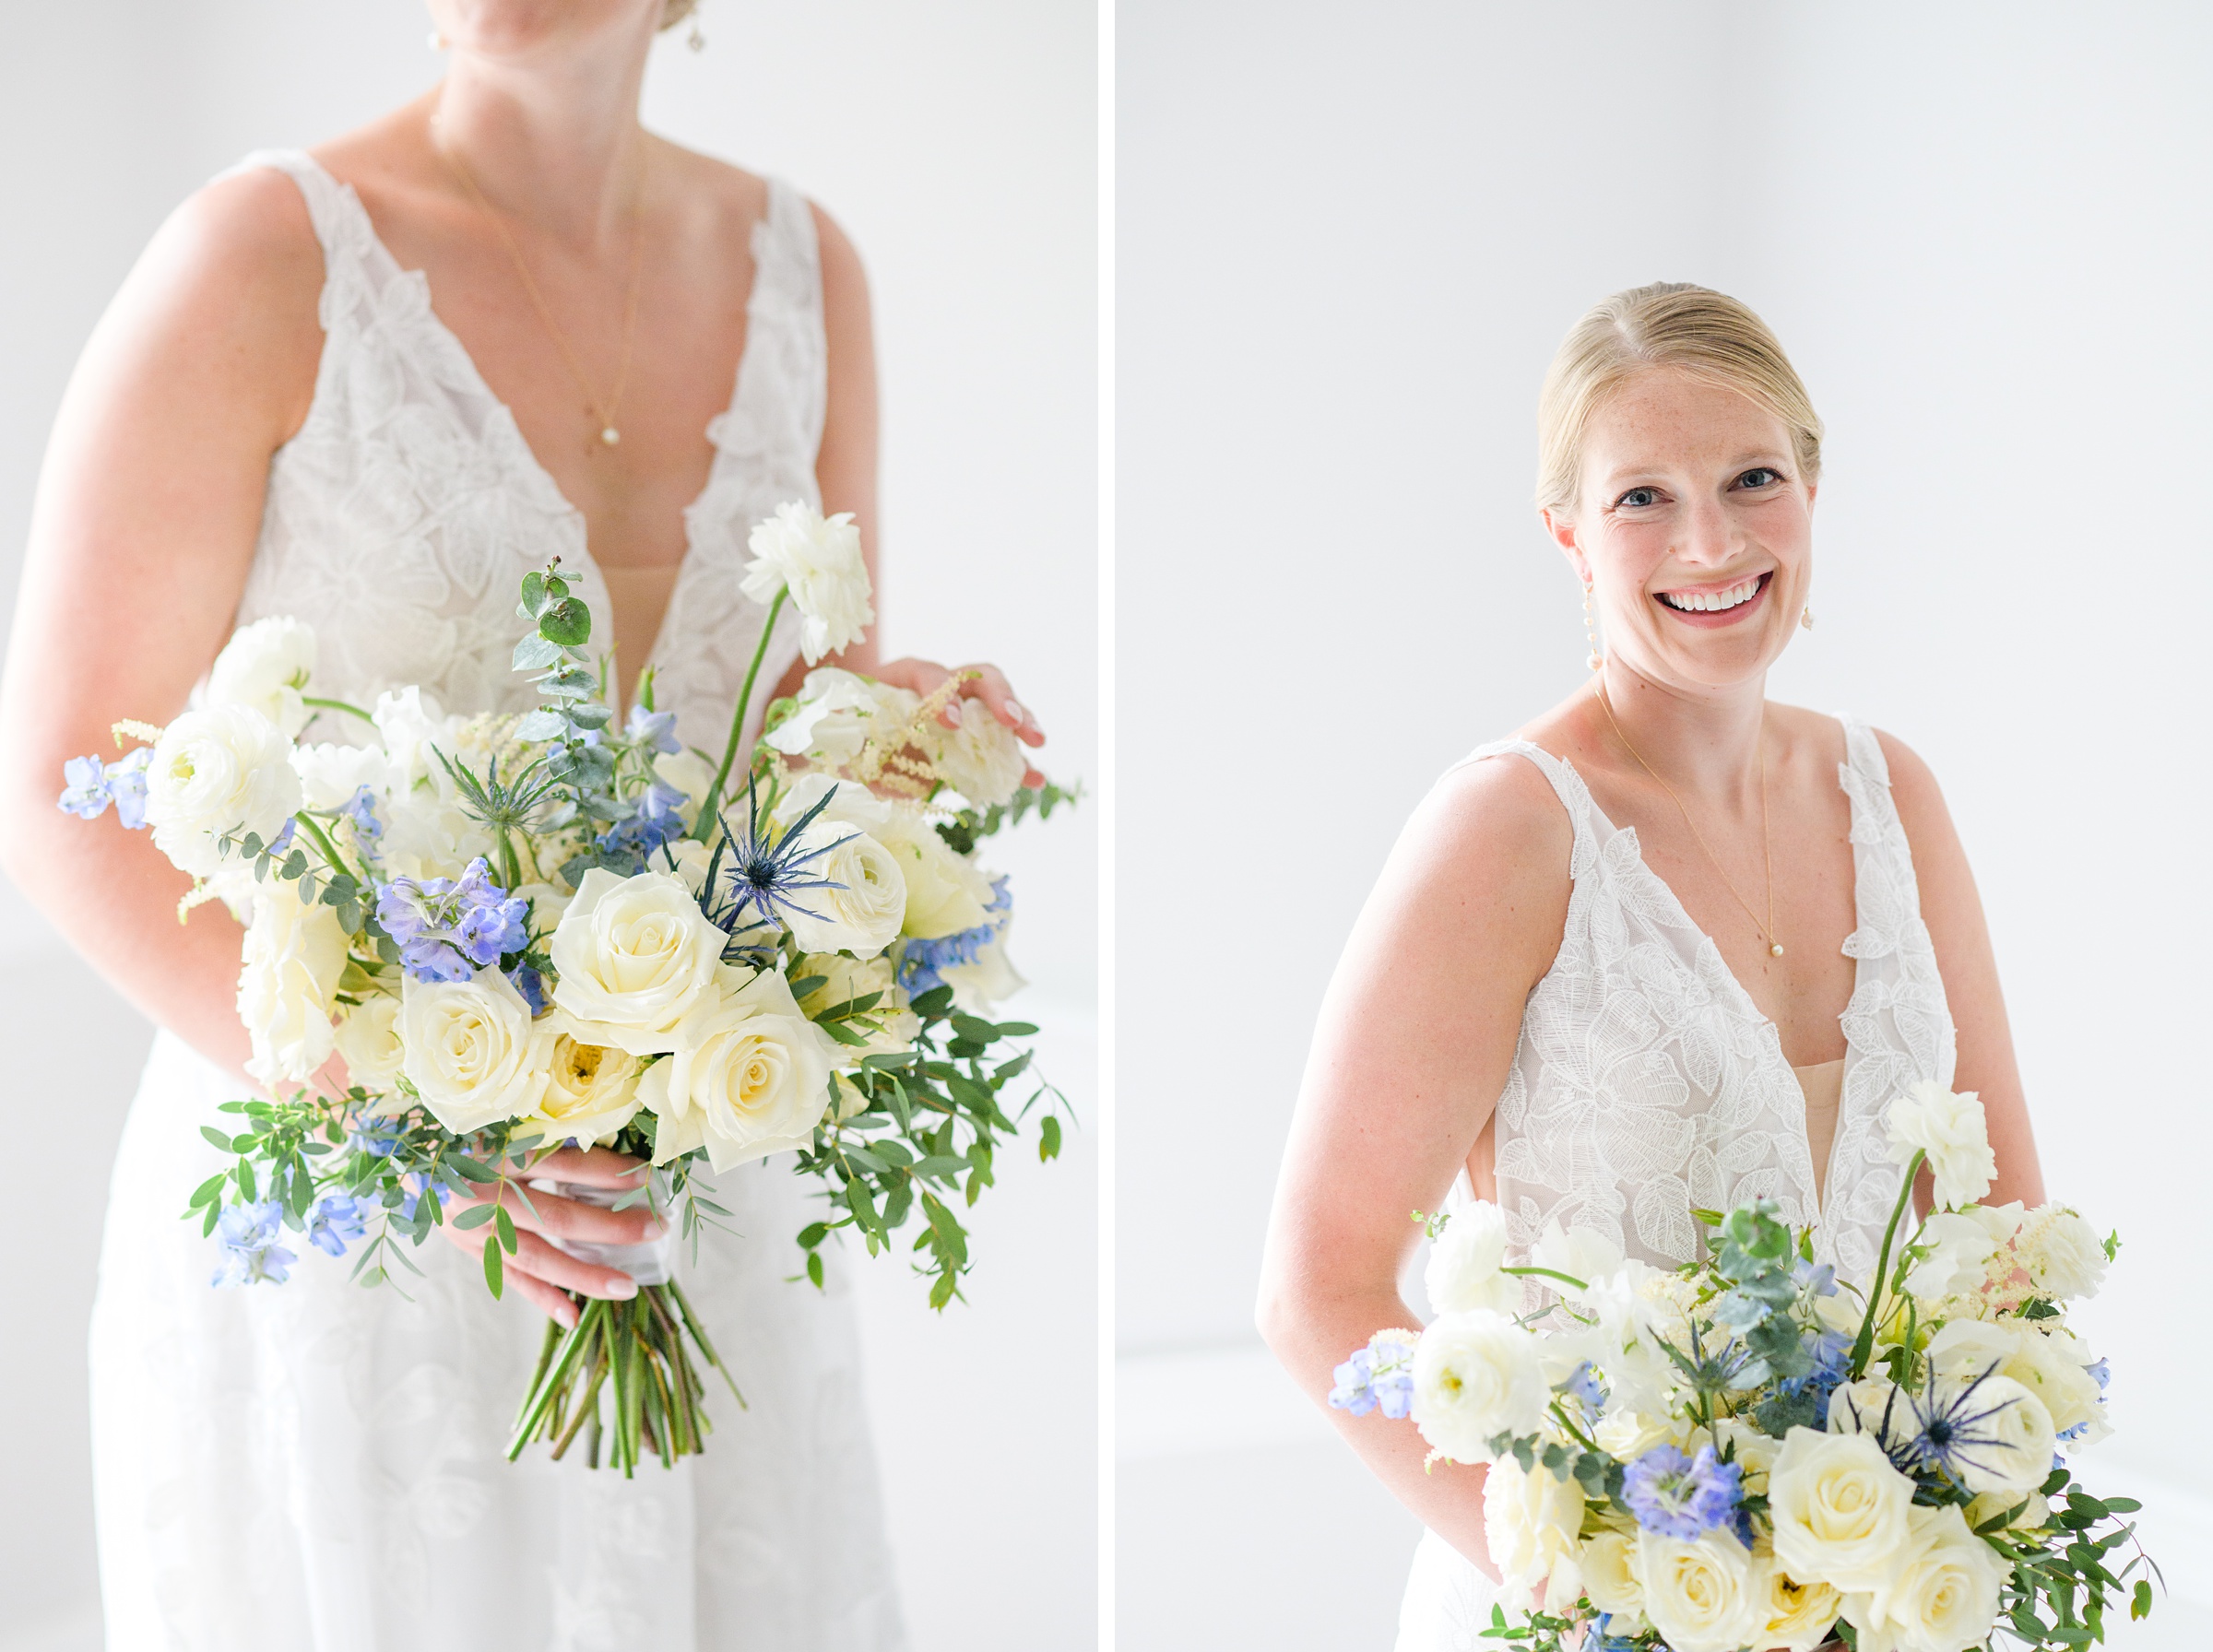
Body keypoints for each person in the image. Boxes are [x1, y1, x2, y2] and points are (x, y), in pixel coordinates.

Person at [0, 3, 1044, 1646]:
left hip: (686, 1210)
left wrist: (906, 734)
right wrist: (433, 1139)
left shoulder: (806, 269)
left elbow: (793, 750)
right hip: (352, 1225)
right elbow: (62, 795)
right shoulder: (257, 258)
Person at [1254, 283, 2044, 1649]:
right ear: (1566, 533)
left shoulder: (1892, 794)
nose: (1711, 541)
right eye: (1641, 499)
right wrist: (1608, 1590)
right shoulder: (1506, 830)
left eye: (1753, 479)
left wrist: (1940, 1531)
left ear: (1811, 488)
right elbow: (1317, 1289)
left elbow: (2005, 1237)